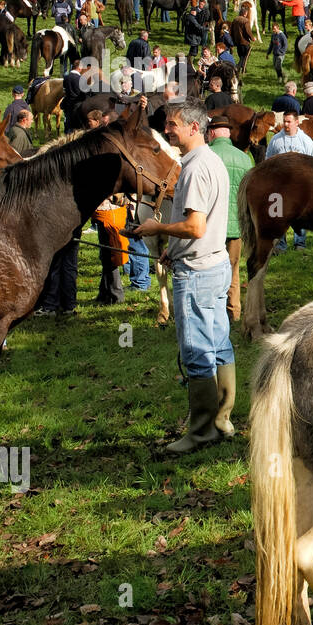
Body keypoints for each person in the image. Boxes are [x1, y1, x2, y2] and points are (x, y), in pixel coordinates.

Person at [133, 99, 237, 453]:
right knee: (219, 345)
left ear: (194, 127)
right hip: (215, 263)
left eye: (173, 125)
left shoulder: (193, 168)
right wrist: (171, 249)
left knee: (196, 351)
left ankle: (201, 431)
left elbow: (194, 226)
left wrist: (156, 226)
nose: (166, 130)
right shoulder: (212, 160)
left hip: (197, 274)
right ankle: (222, 421)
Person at [206, 114, 252, 324]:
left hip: (209, 227)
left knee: (209, 271)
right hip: (236, 224)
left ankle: (211, 313)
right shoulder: (244, 157)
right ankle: (234, 312)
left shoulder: (205, 155)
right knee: (233, 270)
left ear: (212, 132)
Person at [265, 110, 313, 251]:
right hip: (280, 185)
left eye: (289, 121)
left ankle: (299, 243)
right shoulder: (276, 140)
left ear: (296, 122)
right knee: (278, 214)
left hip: (299, 185)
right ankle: (280, 244)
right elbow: (268, 160)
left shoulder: (305, 140)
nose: (285, 124)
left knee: (300, 214)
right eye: (284, 121)